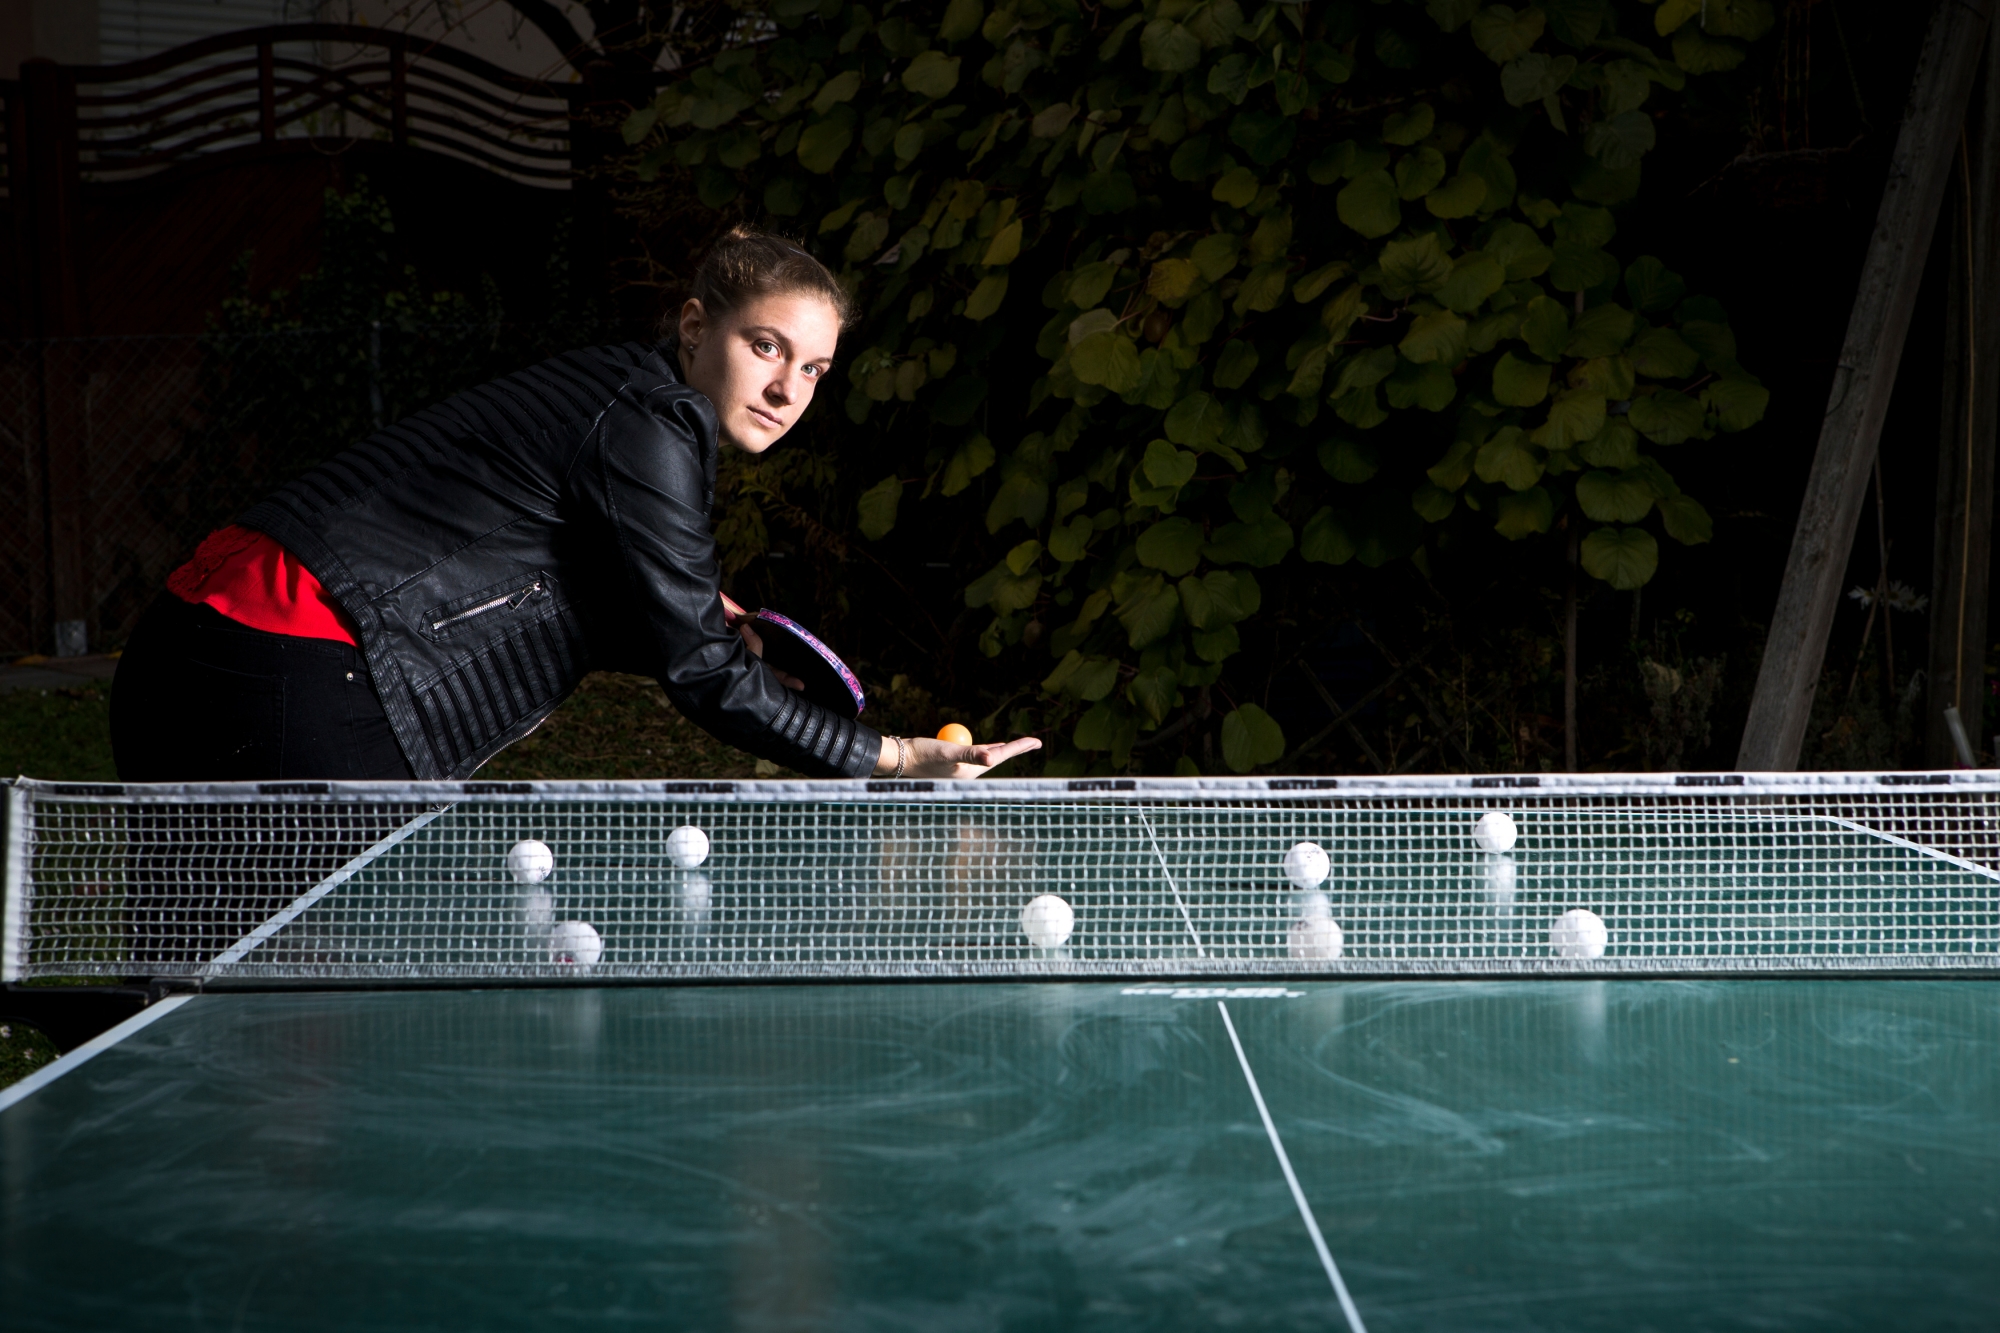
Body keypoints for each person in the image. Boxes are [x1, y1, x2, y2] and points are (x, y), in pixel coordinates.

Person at [111, 228, 1040, 784]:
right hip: (290, 659)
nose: (788, 388)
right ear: (692, 327)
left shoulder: (607, 398)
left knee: (187, 1003)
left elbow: (564, 588)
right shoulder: (656, 419)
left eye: (814, 369)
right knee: (315, 1014)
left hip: (186, 644)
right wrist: (900, 756)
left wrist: (682, 628)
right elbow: (707, 675)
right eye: (766, 346)